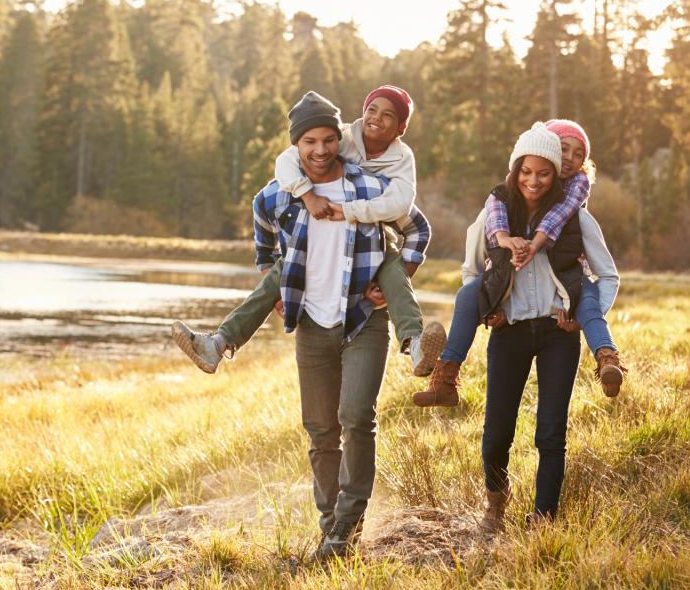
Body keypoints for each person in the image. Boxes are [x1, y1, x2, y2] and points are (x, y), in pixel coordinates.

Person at [232, 92, 431, 558]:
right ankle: (331, 530)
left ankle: (347, 523)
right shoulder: (284, 188)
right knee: (320, 431)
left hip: (363, 319)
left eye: (327, 140)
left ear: (338, 143)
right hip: (312, 325)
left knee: (357, 418)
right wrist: (270, 276)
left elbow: (417, 227)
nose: (319, 150)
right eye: (309, 141)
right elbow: (262, 226)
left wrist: (403, 273)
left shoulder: (368, 186)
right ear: (297, 146)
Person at [172, 86, 446, 378]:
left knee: (392, 267)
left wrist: (390, 283)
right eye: (371, 110)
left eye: (388, 114)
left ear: (401, 128)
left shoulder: (399, 163)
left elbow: (407, 209)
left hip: (374, 243)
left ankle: (415, 344)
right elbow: (287, 160)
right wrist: (306, 194)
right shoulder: (340, 138)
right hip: (314, 246)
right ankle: (217, 344)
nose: (321, 148)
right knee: (282, 271)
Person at [444, 123, 619, 530]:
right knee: (496, 433)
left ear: (557, 168)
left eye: (545, 169)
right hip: (510, 332)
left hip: (560, 335)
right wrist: (489, 310)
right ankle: (495, 505)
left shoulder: (576, 217)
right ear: (517, 168)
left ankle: (544, 518)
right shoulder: (495, 214)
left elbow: (606, 276)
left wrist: (579, 316)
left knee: (551, 432)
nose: (535, 179)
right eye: (527, 171)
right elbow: (471, 273)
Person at [412, 119, 626, 408]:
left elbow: (562, 218)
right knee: (466, 295)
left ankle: (607, 357)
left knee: (587, 300)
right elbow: (475, 259)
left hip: (567, 285)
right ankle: (446, 375)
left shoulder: (574, 200)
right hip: (509, 308)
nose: (570, 159)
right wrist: (489, 307)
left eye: (579, 154)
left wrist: (535, 244)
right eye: (564, 150)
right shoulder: (501, 200)